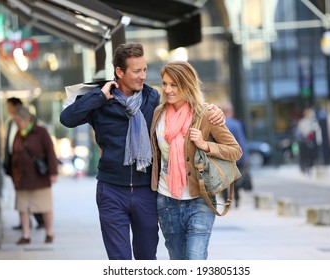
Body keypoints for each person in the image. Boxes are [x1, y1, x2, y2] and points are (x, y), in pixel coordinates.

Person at [60, 43, 226, 260]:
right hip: (111, 190)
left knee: (147, 257)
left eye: (145, 69)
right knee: (119, 259)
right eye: (137, 71)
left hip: (146, 190)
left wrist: (215, 111)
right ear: (119, 72)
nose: (143, 76)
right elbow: (67, 118)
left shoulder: (153, 100)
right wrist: (99, 97)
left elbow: (188, 107)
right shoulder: (100, 102)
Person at [150, 61, 242, 260]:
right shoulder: (158, 114)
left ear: (187, 85)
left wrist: (205, 144)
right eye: (165, 84)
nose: (167, 90)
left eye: (174, 85)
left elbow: (235, 151)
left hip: (200, 199)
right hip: (166, 200)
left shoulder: (206, 114)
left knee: (195, 258)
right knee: (178, 260)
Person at [11, 106, 58, 244]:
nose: (17, 123)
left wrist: (53, 172)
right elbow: (14, 155)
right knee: (23, 208)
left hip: (40, 178)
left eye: (18, 120)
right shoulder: (19, 134)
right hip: (22, 179)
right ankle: (26, 235)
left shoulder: (41, 132)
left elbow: (51, 152)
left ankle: (49, 233)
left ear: (26, 119)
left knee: (45, 207)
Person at [3, 97, 45, 230]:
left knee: (32, 193)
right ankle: (24, 222)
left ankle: (40, 219)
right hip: (14, 160)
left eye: (9, 106)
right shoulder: (11, 121)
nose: (8, 109)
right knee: (20, 194)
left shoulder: (29, 118)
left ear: (17, 105)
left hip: (27, 161)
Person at [221, 102, 252, 208]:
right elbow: (241, 142)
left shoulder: (217, 124)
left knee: (223, 180)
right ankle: (237, 200)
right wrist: (244, 158)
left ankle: (226, 201)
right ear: (230, 112)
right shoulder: (236, 124)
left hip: (222, 157)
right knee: (236, 180)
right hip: (235, 157)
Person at [295, 108, 321, 174]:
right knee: (305, 155)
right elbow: (302, 131)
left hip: (309, 141)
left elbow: (316, 129)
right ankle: (305, 167)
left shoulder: (312, 121)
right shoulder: (303, 122)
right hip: (304, 141)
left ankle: (309, 167)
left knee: (309, 155)